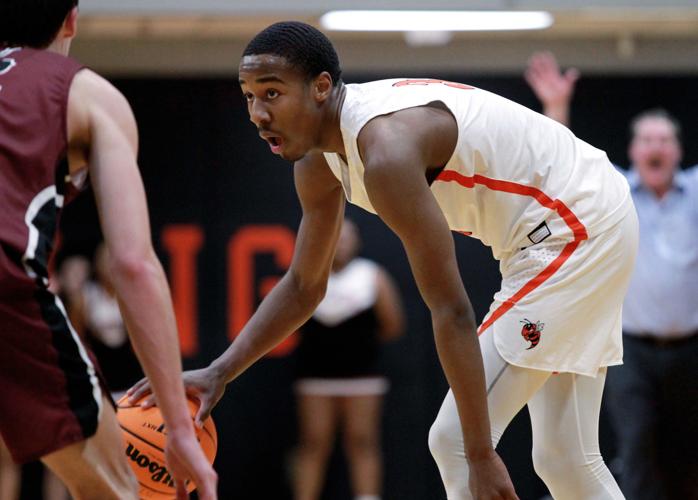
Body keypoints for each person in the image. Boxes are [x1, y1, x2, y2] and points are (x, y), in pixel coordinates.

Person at [129, 22, 637, 499]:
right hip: (582, 216)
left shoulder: (386, 151)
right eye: (249, 97)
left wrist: (483, 455)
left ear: (321, 87)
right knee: (565, 457)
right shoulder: (317, 160)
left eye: (272, 92)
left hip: (577, 227)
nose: (258, 114)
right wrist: (220, 371)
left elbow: (451, 309)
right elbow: (306, 284)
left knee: (458, 445)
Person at [0, 2, 217, 499]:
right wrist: (179, 428)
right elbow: (132, 264)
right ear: (71, 20)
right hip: (7, 288)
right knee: (115, 491)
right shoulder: (86, 93)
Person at [526, 51, 698, 500]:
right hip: (630, 350)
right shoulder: (616, 190)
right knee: (636, 446)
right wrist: (557, 107)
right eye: (647, 140)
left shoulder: (696, 192)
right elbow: (563, 166)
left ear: (677, 151)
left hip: (692, 350)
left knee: (688, 455)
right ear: (634, 150)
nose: (656, 147)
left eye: (664, 140)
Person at [293, 219, 405, 500]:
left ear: (356, 241)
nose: (341, 242)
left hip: (363, 375)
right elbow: (287, 322)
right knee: (313, 442)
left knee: (363, 441)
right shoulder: (306, 277)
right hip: (315, 376)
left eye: (346, 237)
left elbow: (393, 324)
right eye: (335, 237)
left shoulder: (372, 276)